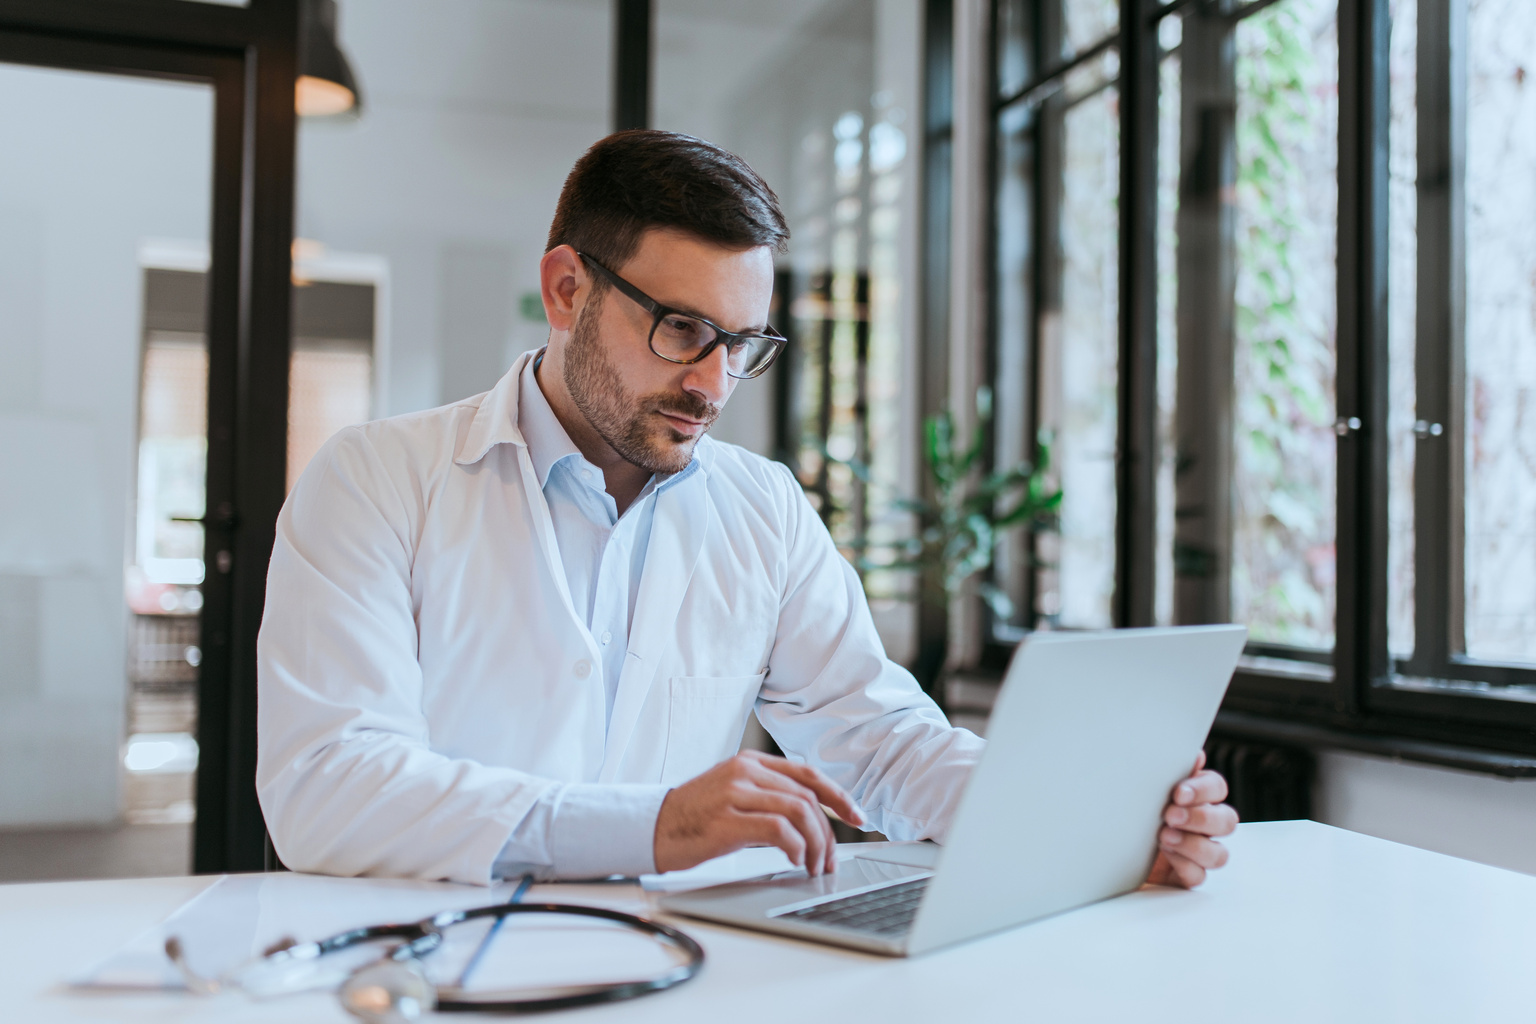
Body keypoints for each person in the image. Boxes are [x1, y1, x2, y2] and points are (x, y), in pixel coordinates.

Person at [257, 130, 1236, 888]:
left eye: (742, 342)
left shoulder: (760, 507)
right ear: (566, 290)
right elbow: (327, 787)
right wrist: (654, 823)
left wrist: (1087, 822)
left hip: (687, 975)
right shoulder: (375, 480)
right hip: (433, 972)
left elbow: (879, 739)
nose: (716, 382)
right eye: (682, 328)